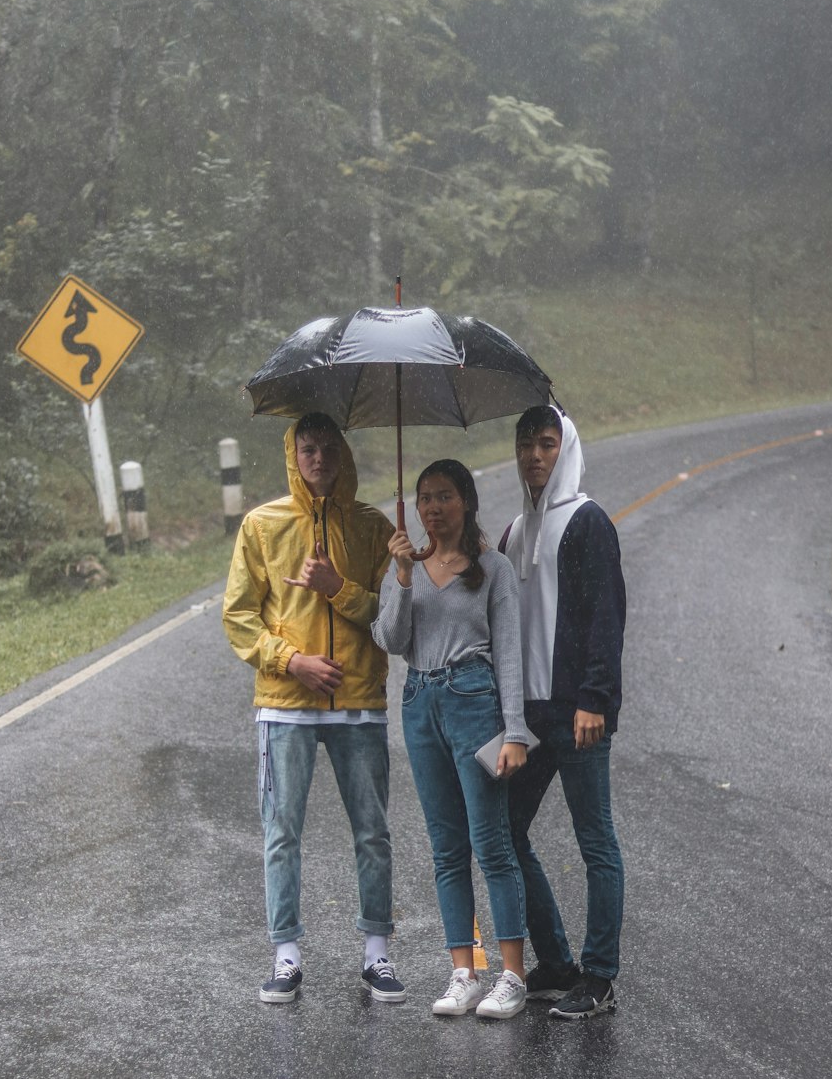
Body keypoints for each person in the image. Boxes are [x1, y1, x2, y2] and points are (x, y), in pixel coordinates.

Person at [222, 412, 404, 1006]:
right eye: (308, 448)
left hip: (358, 703)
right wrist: (289, 661)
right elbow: (239, 615)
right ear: (292, 454)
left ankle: (376, 955)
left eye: (328, 448)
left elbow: (390, 621)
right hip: (286, 706)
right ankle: (286, 956)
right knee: (282, 833)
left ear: (343, 454)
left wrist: (336, 588)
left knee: (372, 832)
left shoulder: (372, 528)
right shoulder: (262, 525)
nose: (318, 458)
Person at [372, 459, 532, 1019]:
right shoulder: (403, 567)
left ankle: (512, 974)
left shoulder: (492, 568)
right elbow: (390, 639)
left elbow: (509, 654)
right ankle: (464, 971)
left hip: (473, 702)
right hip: (419, 702)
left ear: (466, 500)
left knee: (491, 842)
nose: (432, 508)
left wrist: (515, 731)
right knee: (446, 848)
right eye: (424, 499)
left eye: (443, 496)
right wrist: (402, 575)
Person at [501, 405, 626, 1020]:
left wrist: (595, 699)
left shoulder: (587, 521)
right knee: (503, 830)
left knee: (594, 841)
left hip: (576, 713)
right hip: (527, 716)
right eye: (526, 445)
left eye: (547, 444)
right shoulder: (514, 531)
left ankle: (599, 979)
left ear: (565, 449)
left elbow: (607, 617)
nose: (535, 455)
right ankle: (555, 964)